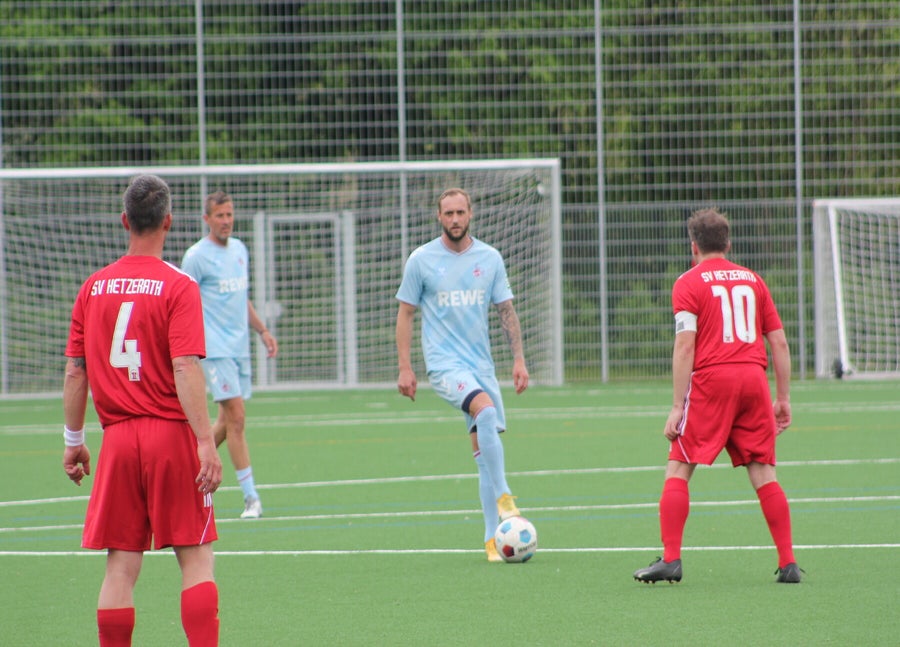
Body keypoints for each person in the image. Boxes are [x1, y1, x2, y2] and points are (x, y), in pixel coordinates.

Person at [62, 174, 223, 646]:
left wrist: (74, 441)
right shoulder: (179, 285)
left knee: (120, 564)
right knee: (196, 558)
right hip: (170, 435)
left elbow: (76, 372)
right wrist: (205, 441)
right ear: (168, 222)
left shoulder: (93, 287)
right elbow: (185, 365)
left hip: (117, 440)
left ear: (124, 220)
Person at [633, 207, 801, 585]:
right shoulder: (754, 281)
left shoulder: (688, 282)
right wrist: (783, 398)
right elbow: (779, 342)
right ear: (728, 243)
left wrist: (677, 406)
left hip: (713, 381)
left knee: (679, 466)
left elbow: (684, 346)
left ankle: (671, 559)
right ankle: (788, 562)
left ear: (693, 246)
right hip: (754, 380)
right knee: (763, 471)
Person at [396, 187, 530, 563]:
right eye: (448, 213)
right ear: (438, 217)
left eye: (460, 212)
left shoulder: (489, 258)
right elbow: (405, 313)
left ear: (470, 214)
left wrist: (519, 360)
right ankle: (505, 497)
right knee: (485, 411)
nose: (455, 219)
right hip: (444, 366)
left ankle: (491, 540)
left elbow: (506, 310)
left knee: (483, 454)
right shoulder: (421, 260)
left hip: (480, 367)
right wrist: (405, 367)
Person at [181, 191, 278, 519]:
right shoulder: (196, 257)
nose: (226, 221)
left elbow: (241, 298)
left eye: (229, 214)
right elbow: (183, 304)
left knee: (226, 421)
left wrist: (262, 331)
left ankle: (186, 470)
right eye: (220, 216)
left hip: (239, 348)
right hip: (214, 350)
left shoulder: (239, 250)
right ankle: (251, 498)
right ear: (206, 219)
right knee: (237, 417)